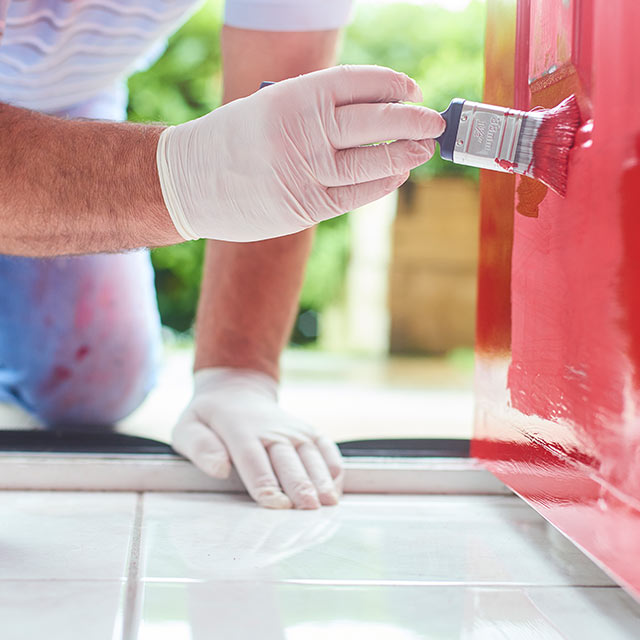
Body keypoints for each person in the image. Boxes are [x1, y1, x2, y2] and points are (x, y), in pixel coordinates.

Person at [0, 0, 445, 509]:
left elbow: (284, 130)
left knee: (94, 380)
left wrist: (236, 375)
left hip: (65, 99)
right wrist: (181, 176)